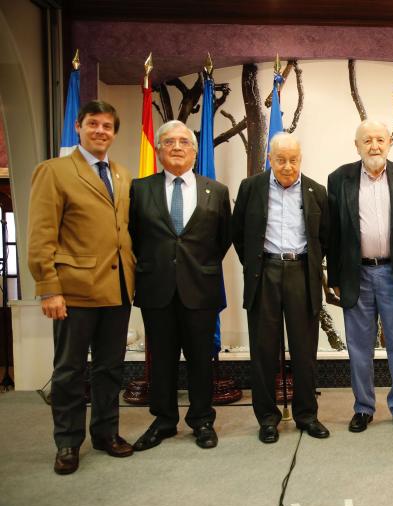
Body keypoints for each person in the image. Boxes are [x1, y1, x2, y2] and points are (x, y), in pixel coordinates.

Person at [27, 100, 135, 474]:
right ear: (78, 127)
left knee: (110, 368)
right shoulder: (54, 171)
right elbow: (41, 234)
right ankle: (68, 442)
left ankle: (106, 433)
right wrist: (48, 287)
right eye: (93, 124)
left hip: (117, 288)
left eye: (107, 126)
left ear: (114, 133)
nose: (101, 131)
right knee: (70, 369)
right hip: (73, 290)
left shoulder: (121, 173)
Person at [128, 120, 232, 451]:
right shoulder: (140, 189)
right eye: (169, 141)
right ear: (158, 149)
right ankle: (164, 421)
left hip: (200, 288)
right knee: (161, 359)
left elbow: (223, 238)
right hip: (156, 287)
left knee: (201, 358)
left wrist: (197, 265)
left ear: (194, 150)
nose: (176, 147)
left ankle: (202, 420)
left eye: (184, 142)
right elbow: (132, 235)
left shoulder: (215, 191)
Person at [327, 119, 393, 434]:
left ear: (389, 143)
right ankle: (363, 408)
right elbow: (334, 232)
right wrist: (335, 276)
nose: (374, 145)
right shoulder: (338, 179)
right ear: (356, 145)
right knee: (359, 347)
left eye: (379, 139)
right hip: (355, 274)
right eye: (367, 140)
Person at [232, 133, 330, 443]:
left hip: (302, 273)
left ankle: (306, 415)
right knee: (263, 351)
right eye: (280, 159)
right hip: (265, 273)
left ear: (301, 159)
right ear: (270, 159)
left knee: (304, 350)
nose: (287, 166)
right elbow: (239, 234)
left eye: (293, 159)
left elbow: (325, 237)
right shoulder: (251, 188)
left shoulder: (317, 191)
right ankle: (267, 418)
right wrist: (257, 264)